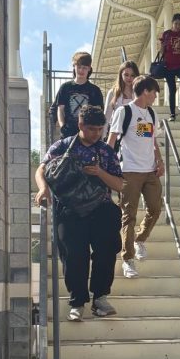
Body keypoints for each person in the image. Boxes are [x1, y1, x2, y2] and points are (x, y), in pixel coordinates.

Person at [34, 106, 124, 321]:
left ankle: (100, 297)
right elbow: (42, 168)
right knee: (74, 256)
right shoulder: (63, 146)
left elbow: (120, 185)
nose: (97, 134)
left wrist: (100, 172)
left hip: (101, 207)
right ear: (81, 125)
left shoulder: (106, 151)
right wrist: (43, 188)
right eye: (92, 129)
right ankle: (77, 301)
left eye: (100, 129)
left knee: (106, 251)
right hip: (69, 209)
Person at [107, 75, 165, 279]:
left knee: (156, 208)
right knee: (128, 215)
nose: (156, 97)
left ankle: (139, 239)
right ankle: (128, 259)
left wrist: (160, 160)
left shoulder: (151, 113)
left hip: (149, 171)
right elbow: (111, 140)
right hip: (129, 170)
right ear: (146, 92)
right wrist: (109, 167)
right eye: (154, 93)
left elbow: (152, 140)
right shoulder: (125, 111)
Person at [50, 50, 105, 140]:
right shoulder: (65, 87)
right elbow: (60, 109)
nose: (81, 70)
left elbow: (99, 113)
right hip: (69, 134)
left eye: (84, 67)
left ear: (89, 68)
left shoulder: (95, 90)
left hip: (88, 135)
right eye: (79, 67)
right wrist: (63, 126)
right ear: (74, 67)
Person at [158, 13, 180, 120]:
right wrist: (162, 46)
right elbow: (162, 51)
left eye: (179, 24)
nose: (177, 26)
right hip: (168, 66)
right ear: (172, 23)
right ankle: (172, 113)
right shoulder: (166, 34)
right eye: (176, 23)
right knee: (172, 89)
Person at [104, 60, 140, 125]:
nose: (129, 78)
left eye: (132, 75)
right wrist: (104, 135)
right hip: (116, 132)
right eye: (126, 75)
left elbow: (144, 117)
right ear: (121, 75)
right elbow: (106, 117)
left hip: (135, 132)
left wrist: (140, 133)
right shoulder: (113, 92)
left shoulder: (140, 93)